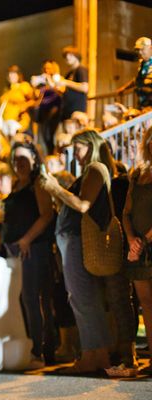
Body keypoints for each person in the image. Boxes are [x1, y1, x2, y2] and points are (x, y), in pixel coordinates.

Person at [40, 129, 113, 374]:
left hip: (76, 240)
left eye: (78, 148)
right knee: (82, 298)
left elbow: (83, 205)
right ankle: (94, 353)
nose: (76, 154)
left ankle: (96, 355)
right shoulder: (91, 170)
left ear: (90, 145)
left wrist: (56, 189)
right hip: (71, 240)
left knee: (82, 298)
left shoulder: (94, 169)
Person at [3, 142, 57, 365]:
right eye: (15, 160)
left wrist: (26, 239)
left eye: (23, 159)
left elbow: (46, 215)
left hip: (33, 248)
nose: (19, 164)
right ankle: (35, 346)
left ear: (34, 159)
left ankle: (40, 349)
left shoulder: (38, 183)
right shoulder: (16, 185)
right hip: (15, 248)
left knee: (34, 298)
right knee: (26, 299)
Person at [123, 126, 152, 354]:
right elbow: (126, 212)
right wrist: (132, 239)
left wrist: (143, 240)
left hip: (145, 245)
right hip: (138, 248)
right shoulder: (137, 174)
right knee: (146, 303)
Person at [0, 65, 35, 137]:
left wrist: (24, 106)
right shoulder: (6, 90)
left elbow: (33, 101)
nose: (10, 76)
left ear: (18, 75)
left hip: (17, 123)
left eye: (13, 73)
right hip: (4, 124)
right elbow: (4, 107)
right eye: (9, 74)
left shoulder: (23, 86)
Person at [118, 37, 152, 110]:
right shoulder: (142, 64)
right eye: (138, 50)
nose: (140, 52)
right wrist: (124, 88)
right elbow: (137, 80)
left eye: (142, 49)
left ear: (150, 48)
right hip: (142, 104)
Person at [58, 46, 89, 121]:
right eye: (65, 56)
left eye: (70, 55)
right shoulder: (69, 74)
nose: (67, 57)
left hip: (77, 111)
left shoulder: (81, 70)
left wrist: (66, 82)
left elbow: (85, 88)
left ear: (76, 56)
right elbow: (63, 90)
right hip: (67, 111)